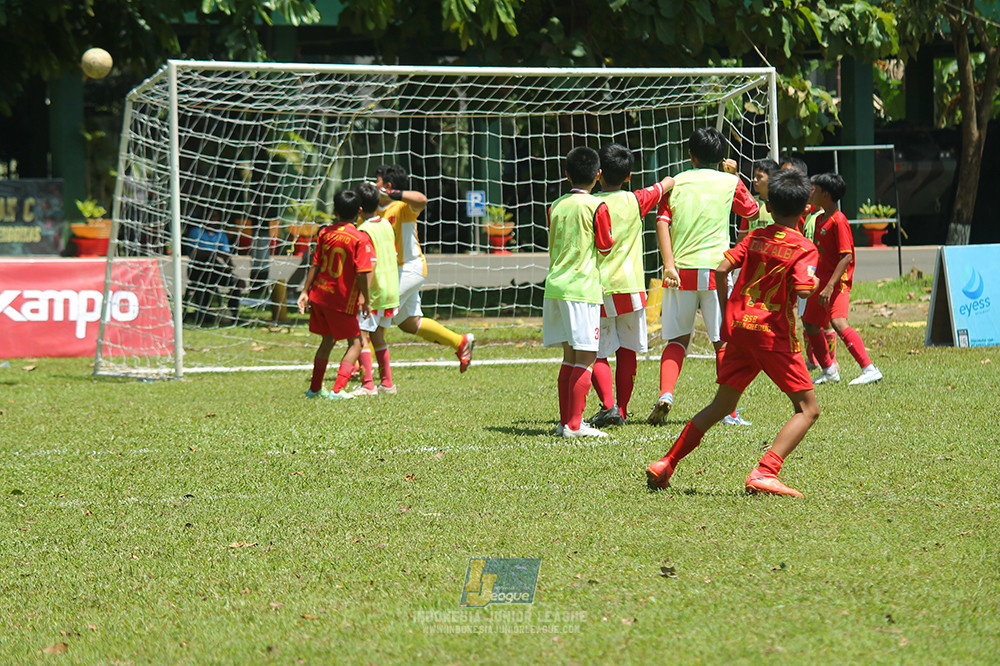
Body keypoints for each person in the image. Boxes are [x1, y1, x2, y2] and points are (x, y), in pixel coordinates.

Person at [646, 168, 821, 497]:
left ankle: (666, 462)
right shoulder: (804, 247)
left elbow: (722, 268)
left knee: (721, 405)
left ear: (768, 207)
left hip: (740, 330)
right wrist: (812, 281)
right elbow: (802, 288)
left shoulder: (754, 238)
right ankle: (766, 471)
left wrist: (729, 310)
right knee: (808, 409)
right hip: (773, 336)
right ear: (806, 209)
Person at [646, 127, 759, 426]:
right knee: (722, 341)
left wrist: (668, 264)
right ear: (722, 158)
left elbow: (662, 222)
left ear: (690, 155)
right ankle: (730, 412)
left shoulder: (677, 181)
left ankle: (666, 393)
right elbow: (753, 211)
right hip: (717, 271)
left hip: (680, 271)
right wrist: (735, 176)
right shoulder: (728, 182)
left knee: (677, 339)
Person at [588, 143, 674, 427]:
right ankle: (622, 410)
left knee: (596, 351)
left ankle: (609, 406)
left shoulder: (589, 204)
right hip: (631, 288)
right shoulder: (637, 200)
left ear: (598, 174)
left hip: (597, 288)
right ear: (629, 176)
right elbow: (665, 184)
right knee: (627, 350)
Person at [373, 164, 474, 372]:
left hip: (409, 269)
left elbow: (422, 200)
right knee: (409, 323)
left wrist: (392, 194)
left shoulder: (402, 207)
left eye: (378, 182)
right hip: (393, 273)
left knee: (373, 320)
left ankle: (364, 371)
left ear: (388, 186)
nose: (375, 186)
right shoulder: (373, 210)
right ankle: (460, 342)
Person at [543, 146, 614, 438]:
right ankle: (574, 425)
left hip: (555, 286)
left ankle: (565, 422)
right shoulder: (597, 206)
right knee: (586, 357)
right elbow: (606, 245)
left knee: (570, 357)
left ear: (566, 173)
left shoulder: (555, 205)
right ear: (598, 175)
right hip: (582, 288)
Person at [803, 172, 884, 386]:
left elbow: (846, 255)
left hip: (836, 284)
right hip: (821, 283)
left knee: (838, 322)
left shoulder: (838, 221)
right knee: (810, 323)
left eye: (815, 190)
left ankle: (869, 368)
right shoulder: (820, 218)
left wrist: (830, 286)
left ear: (826, 195)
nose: (811, 193)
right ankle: (829, 371)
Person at [297, 189, 373, 399]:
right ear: (359, 211)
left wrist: (305, 291)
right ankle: (337, 390)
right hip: (341, 299)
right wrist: (365, 299)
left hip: (320, 296)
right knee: (356, 343)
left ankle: (314, 389)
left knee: (327, 340)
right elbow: (361, 272)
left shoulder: (325, 233)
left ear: (335, 211)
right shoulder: (359, 238)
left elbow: (315, 263)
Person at [353, 182, 400, 396]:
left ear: (358, 209)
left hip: (375, 292)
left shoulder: (363, 231)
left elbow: (369, 263)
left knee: (361, 335)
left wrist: (364, 295)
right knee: (378, 335)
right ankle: (387, 383)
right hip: (391, 291)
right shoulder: (386, 224)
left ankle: (367, 384)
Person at [183, 210, 244, 327]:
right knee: (208, 265)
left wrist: (230, 267)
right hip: (198, 269)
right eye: (209, 215)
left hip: (216, 270)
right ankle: (202, 316)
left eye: (215, 216)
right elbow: (196, 253)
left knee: (235, 282)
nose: (212, 218)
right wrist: (215, 253)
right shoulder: (196, 231)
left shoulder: (221, 234)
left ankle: (233, 315)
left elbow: (226, 255)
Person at [736, 158, 778, 241]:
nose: (754, 180)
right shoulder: (750, 203)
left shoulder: (780, 204)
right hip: (753, 252)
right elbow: (742, 236)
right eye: (754, 176)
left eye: (759, 177)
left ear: (772, 179)